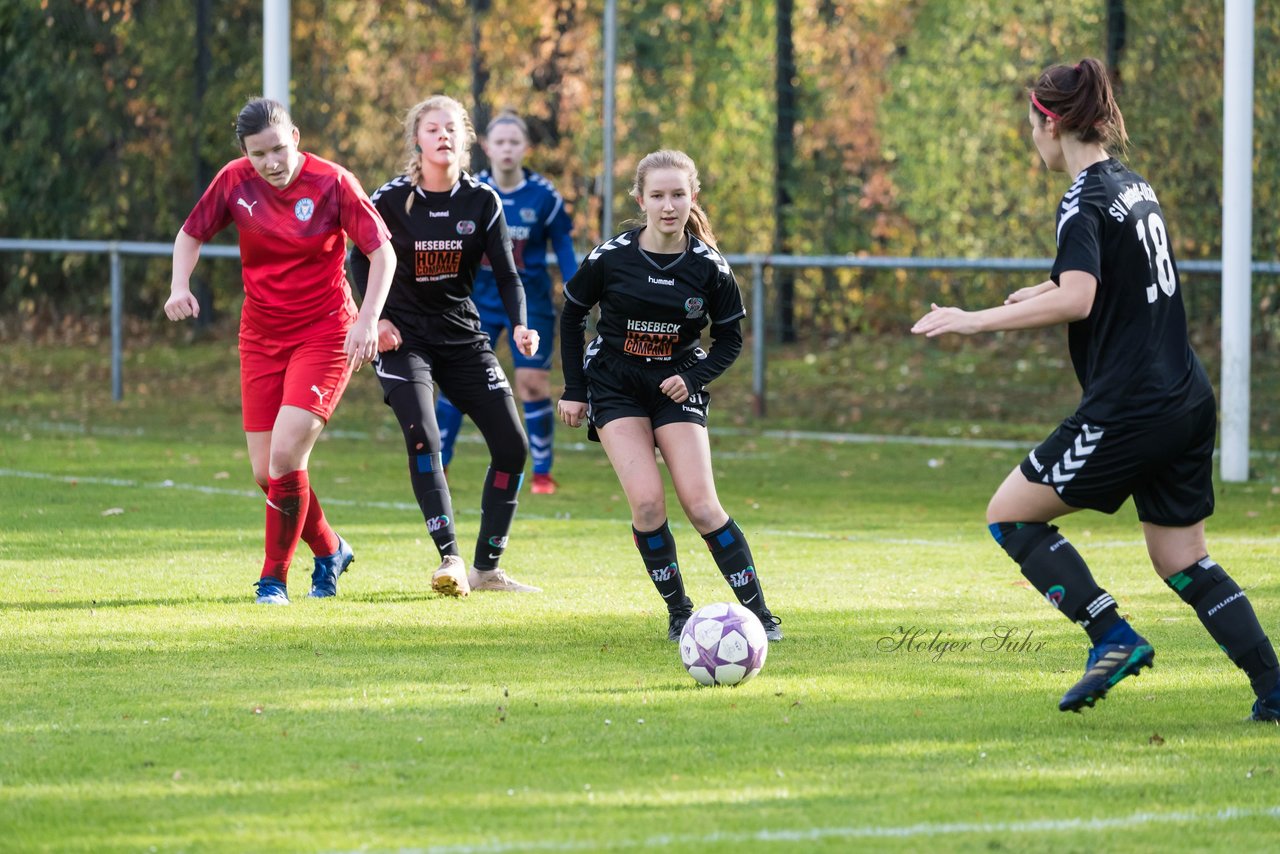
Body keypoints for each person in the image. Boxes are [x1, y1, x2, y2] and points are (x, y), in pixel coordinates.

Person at [912, 58, 1280, 720]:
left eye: (1032, 125)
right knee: (1182, 558)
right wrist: (1041, 289)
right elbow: (1109, 281)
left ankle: (1109, 633)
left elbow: (1081, 299)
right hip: (1185, 396)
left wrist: (975, 319)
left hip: (1131, 407)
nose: (1033, 138)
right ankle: (1275, 688)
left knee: (1010, 515)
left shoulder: (1080, 199)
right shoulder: (1133, 187)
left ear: (1051, 124)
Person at [165, 96, 396, 605]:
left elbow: (383, 252)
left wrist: (368, 319)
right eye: (257, 154)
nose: (270, 163)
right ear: (245, 155)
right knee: (264, 470)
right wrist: (180, 285)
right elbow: (189, 233)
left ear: (295, 137)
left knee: (288, 452)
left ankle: (273, 579)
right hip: (261, 334)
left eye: (276, 149)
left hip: (326, 333)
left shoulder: (334, 182)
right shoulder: (233, 180)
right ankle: (331, 548)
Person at [557, 149, 782, 642]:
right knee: (647, 506)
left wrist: (696, 378)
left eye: (678, 194)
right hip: (615, 384)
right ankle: (680, 610)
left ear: (692, 197)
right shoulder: (611, 257)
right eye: (657, 195)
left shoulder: (709, 268)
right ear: (641, 199)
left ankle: (761, 615)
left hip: (675, 384)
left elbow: (730, 340)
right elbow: (571, 314)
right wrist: (575, 389)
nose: (668, 205)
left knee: (701, 505)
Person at [349, 94, 541, 597]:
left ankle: (487, 569)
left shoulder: (482, 201)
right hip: (404, 339)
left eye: (452, 128)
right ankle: (450, 559)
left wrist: (520, 324)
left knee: (512, 447)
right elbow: (357, 262)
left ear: (465, 138)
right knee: (425, 437)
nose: (443, 136)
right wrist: (379, 319)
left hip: (461, 335)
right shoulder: (389, 200)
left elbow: (507, 274)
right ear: (417, 138)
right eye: (432, 128)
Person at [436, 111, 579, 495]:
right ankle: (439, 464)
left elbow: (563, 245)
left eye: (514, 142)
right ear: (486, 147)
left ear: (526, 148)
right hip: (475, 302)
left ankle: (542, 474)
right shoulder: (471, 191)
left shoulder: (544, 196)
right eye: (499, 142)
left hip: (529, 303)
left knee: (532, 384)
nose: (507, 148)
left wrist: (576, 285)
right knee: (455, 383)